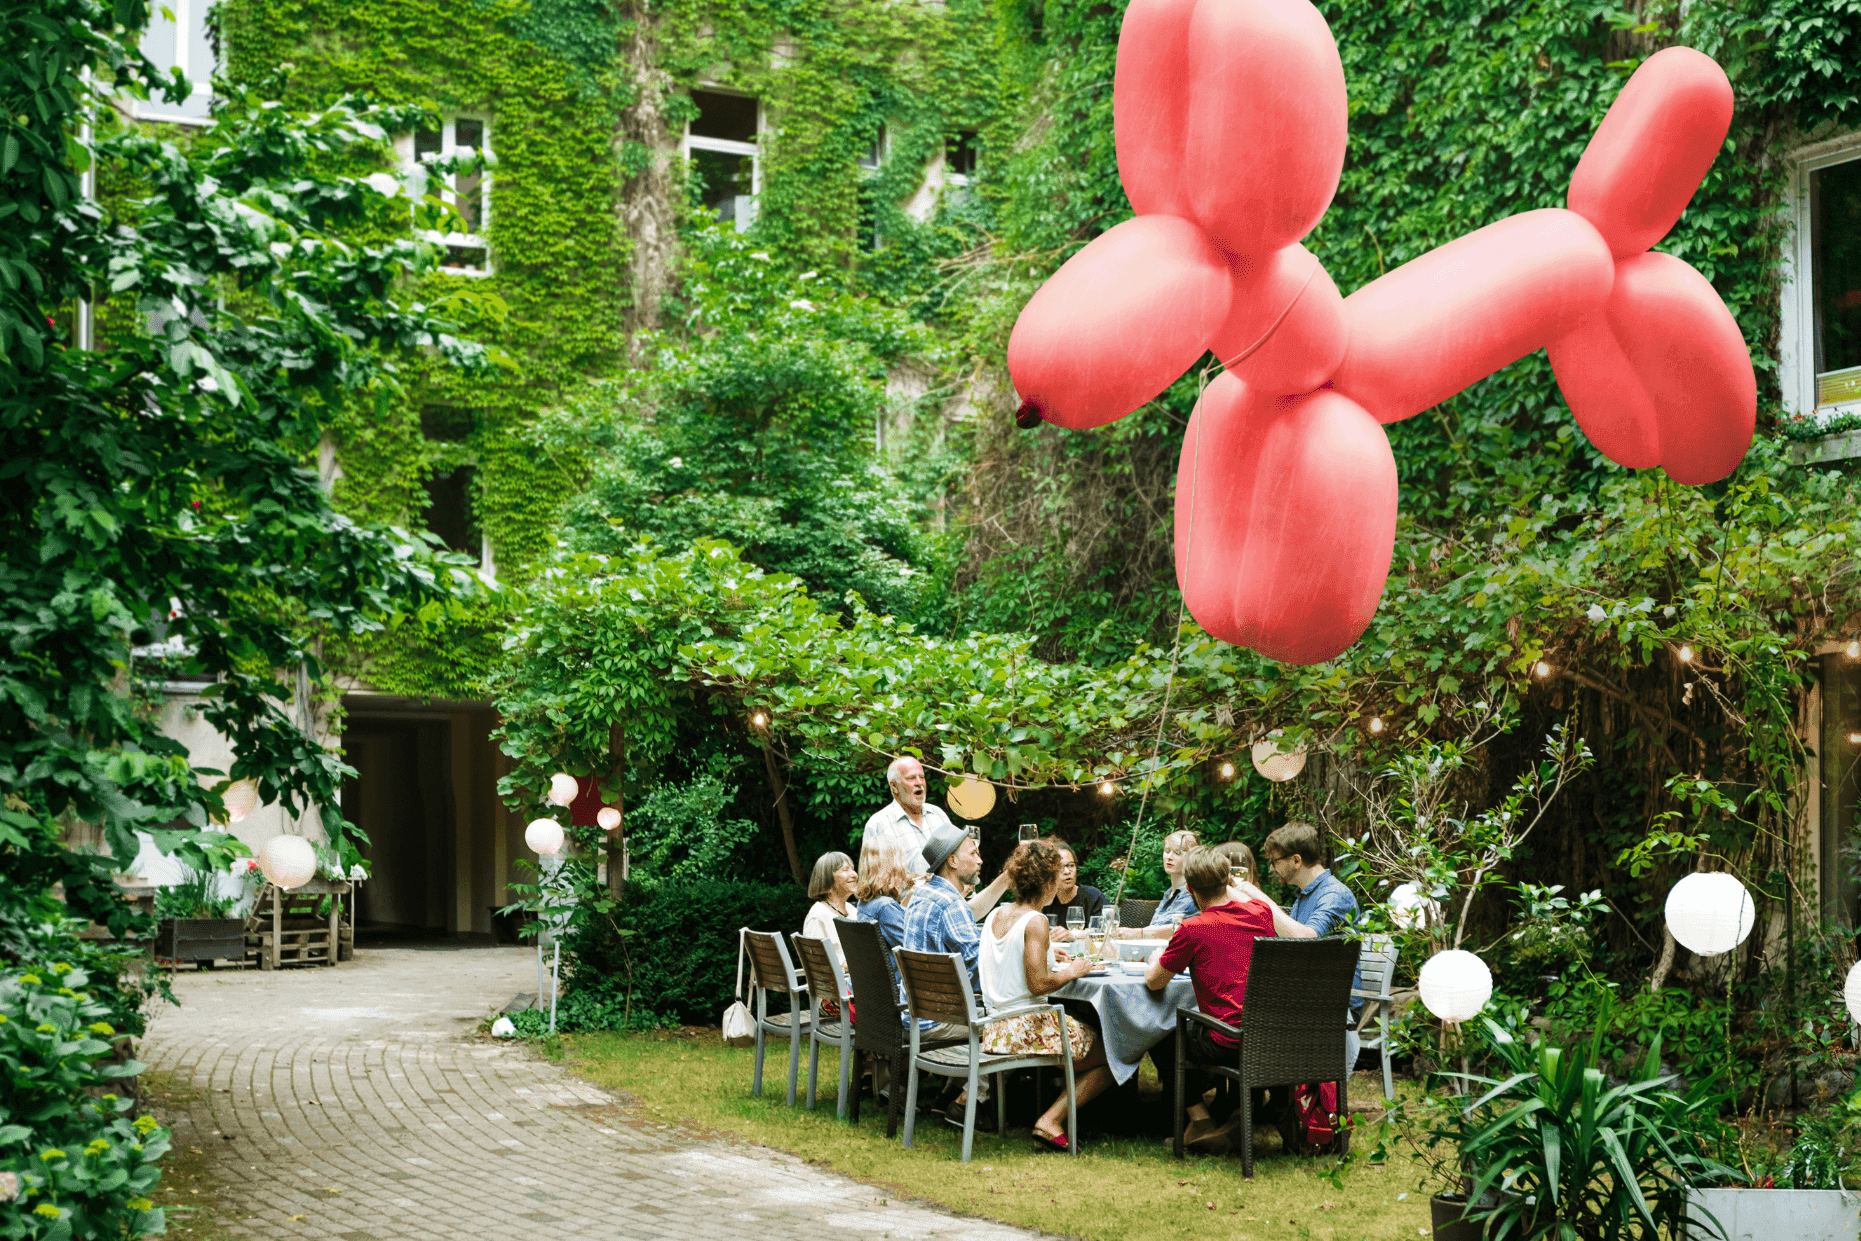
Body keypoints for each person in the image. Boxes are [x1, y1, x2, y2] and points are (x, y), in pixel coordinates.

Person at [979, 840, 1113, 1151]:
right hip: (1028, 1027)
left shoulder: (997, 914)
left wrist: (1052, 952)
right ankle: (1052, 1119)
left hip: (994, 1025)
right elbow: (1038, 983)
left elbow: (1012, 961)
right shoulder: (1036, 921)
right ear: (1048, 881)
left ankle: (1058, 1109)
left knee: (1094, 1039)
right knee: (1114, 1055)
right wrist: (1074, 971)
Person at [1144, 845, 1278, 1153]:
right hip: (1269, 1034)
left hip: (1227, 1041)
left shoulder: (1194, 928)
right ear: (1228, 880)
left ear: (1189, 888)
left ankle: (1200, 1117)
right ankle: (1228, 1112)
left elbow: (1154, 983)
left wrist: (1155, 957)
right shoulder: (1262, 913)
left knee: (1160, 1032)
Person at [1242, 821, 1364, 1071]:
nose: (1272, 868)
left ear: (1296, 860)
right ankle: (1266, 1101)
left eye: (1275, 861)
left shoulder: (1334, 895)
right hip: (1307, 996)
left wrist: (1260, 898)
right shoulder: (1305, 895)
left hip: (1335, 1005)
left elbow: (1308, 939)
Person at [863, 755, 1010, 917]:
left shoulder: (938, 814)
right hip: (912, 919)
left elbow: (956, 858)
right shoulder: (877, 825)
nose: (919, 782)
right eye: (911, 778)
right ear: (894, 787)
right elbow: (872, 888)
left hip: (954, 906)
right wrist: (910, 880)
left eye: (922, 777)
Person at [853, 838, 911, 991]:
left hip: (872, 992)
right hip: (896, 992)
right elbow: (913, 949)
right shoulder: (886, 906)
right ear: (892, 867)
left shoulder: (865, 902)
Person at [801, 851, 858, 1004]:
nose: (854, 874)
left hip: (855, 985)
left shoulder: (852, 910)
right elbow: (818, 969)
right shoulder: (818, 916)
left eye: (853, 868)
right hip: (832, 997)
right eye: (846, 870)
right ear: (828, 878)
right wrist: (850, 964)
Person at [1037, 839, 1104, 934]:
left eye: (1071, 865)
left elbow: (1105, 928)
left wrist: (1074, 935)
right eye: (1060, 867)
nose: (1067, 871)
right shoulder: (1044, 901)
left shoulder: (1093, 896)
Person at [1145, 829, 1202, 930]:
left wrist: (1137, 933)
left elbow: (1165, 929)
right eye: (1167, 851)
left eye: (1177, 853)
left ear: (1192, 858)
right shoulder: (1170, 893)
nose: (1169, 857)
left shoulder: (1191, 894)